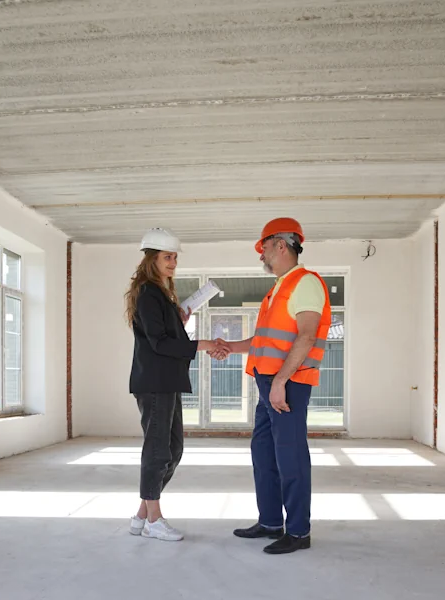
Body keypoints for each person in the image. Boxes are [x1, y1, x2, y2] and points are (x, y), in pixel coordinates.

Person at [214, 218, 331, 554]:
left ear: (281, 245)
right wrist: (231, 347)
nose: (261, 256)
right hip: (269, 383)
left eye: (263, 248)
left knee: (290, 456)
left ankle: (298, 532)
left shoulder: (304, 283)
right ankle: (270, 522)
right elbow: (265, 340)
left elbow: (307, 335)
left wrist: (281, 381)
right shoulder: (279, 288)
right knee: (263, 452)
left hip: (288, 383)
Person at [125, 227, 227, 542]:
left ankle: (142, 514)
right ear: (151, 260)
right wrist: (205, 343)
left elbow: (166, 335)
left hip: (166, 381)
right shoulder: (147, 293)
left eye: (175, 258)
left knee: (173, 448)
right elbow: (159, 343)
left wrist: (178, 319)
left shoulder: (160, 295)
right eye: (167, 257)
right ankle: (154, 518)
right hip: (155, 382)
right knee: (157, 449)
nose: (173, 263)